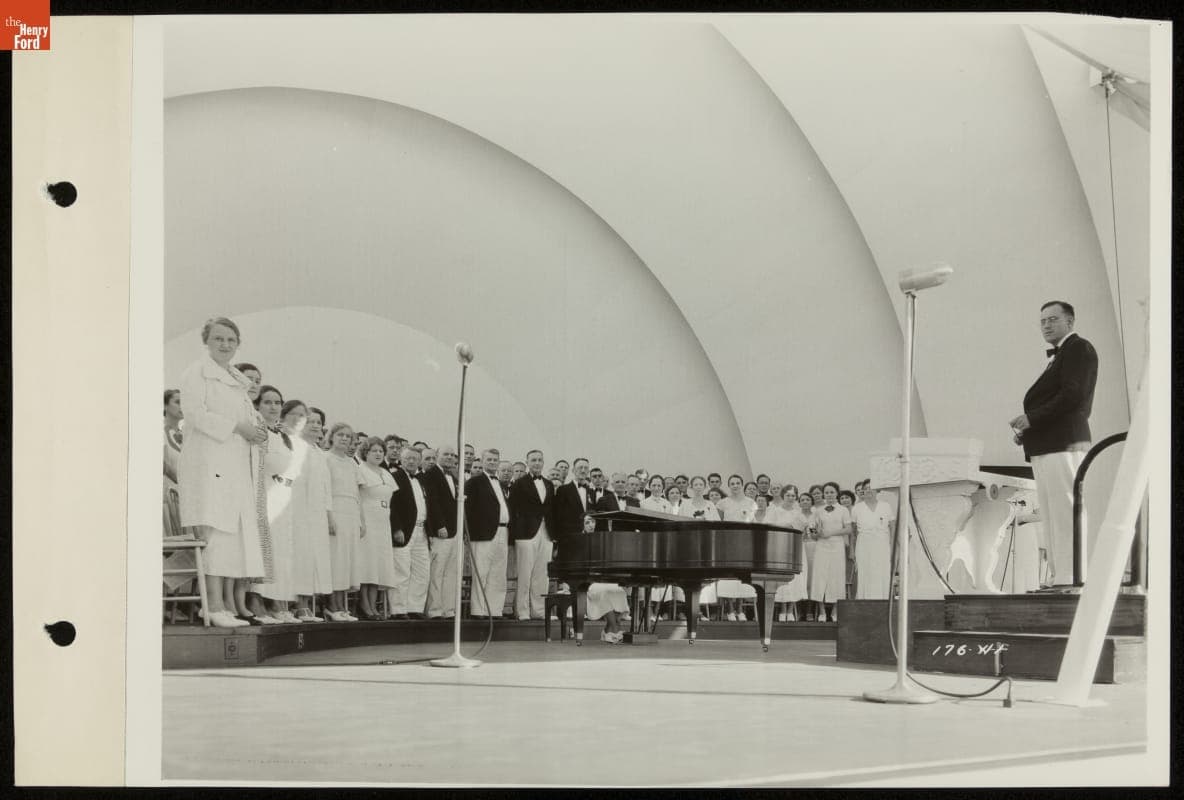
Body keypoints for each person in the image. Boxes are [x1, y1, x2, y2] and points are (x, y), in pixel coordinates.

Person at [177, 318, 268, 628]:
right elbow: (195, 414)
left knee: (231, 534)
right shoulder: (196, 373)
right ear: (207, 340)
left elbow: (246, 419)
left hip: (234, 466)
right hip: (208, 465)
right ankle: (212, 606)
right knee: (214, 532)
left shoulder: (237, 380)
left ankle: (222, 607)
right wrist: (237, 427)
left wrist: (251, 430)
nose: (225, 344)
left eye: (231, 339)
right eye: (218, 338)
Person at [1010, 300, 1099, 587]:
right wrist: (1028, 431)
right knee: (1050, 512)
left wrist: (1032, 418)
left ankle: (1074, 574)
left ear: (1070, 322)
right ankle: (1060, 574)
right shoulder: (1058, 356)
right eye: (1043, 321)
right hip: (1048, 444)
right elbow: (1056, 400)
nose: (1046, 325)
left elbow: (1073, 396)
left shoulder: (1078, 348)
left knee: (1065, 507)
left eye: (1053, 319)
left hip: (1065, 443)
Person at [250, 387, 303, 624]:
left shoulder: (282, 436)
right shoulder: (257, 431)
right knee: (264, 552)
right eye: (267, 402)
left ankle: (278, 604)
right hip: (262, 495)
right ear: (257, 405)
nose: (273, 407)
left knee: (282, 553)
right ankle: (257, 602)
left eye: (277, 402)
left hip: (282, 498)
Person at [291, 405, 333, 621]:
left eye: (319, 422)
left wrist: (328, 514)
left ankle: (306, 605)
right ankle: (299, 606)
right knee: (302, 558)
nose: (316, 426)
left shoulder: (319, 452)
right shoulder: (296, 447)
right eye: (311, 422)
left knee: (315, 559)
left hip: (317, 513)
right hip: (301, 512)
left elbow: (325, 488)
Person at [509, 449, 557, 621]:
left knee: (542, 574)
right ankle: (522, 611)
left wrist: (553, 534)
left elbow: (551, 510)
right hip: (525, 533)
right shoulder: (519, 484)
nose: (537, 463)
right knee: (524, 573)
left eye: (540, 460)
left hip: (546, 533)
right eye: (533, 460)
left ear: (543, 463)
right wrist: (515, 534)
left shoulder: (549, 484)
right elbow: (512, 510)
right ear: (527, 462)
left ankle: (539, 611)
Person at [355, 437, 398, 619]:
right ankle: (364, 605)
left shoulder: (386, 474)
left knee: (379, 566)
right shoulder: (360, 470)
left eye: (381, 451)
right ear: (366, 452)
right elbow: (356, 498)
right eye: (374, 451)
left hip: (383, 523)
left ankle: (373, 606)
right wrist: (360, 521)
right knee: (367, 564)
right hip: (367, 521)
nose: (378, 454)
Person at [325, 423, 364, 621]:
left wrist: (360, 520)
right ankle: (332, 606)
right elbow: (324, 491)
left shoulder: (351, 463)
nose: (344, 439)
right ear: (331, 436)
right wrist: (328, 517)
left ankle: (342, 605)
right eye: (340, 435)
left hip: (351, 513)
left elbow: (356, 493)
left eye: (348, 436)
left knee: (347, 560)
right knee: (336, 559)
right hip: (335, 509)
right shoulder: (326, 458)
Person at [464, 448, 510, 618]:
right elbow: (468, 511)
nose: (492, 463)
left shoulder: (500, 483)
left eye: (495, 460)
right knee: (481, 572)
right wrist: (470, 534)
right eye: (489, 460)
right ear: (482, 461)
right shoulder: (474, 483)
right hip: (483, 534)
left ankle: (495, 610)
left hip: (503, 531)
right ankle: (478, 611)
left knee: (498, 574)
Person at [389, 446, 431, 619]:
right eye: (408, 458)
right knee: (402, 571)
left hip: (422, 530)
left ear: (419, 461)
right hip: (404, 531)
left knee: (422, 572)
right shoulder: (395, 477)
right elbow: (392, 505)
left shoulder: (421, 480)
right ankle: (398, 610)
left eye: (415, 458)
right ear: (401, 459)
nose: (412, 461)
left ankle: (415, 608)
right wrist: (396, 528)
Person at [421, 444, 461, 619]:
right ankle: (434, 610)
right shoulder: (431, 475)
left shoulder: (453, 476)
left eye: (453, 455)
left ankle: (448, 609)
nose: (450, 457)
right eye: (446, 454)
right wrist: (439, 526)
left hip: (455, 530)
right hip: (441, 531)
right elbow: (432, 502)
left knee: (451, 572)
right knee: (437, 571)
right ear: (437, 456)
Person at [578, 515, 628, 643]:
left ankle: (607, 630)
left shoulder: (600, 539)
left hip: (600, 579)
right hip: (585, 581)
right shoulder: (578, 539)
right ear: (582, 524)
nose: (591, 525)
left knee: (619, 590)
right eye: (587, 522)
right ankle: (616, 629)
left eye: (593, 522)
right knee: (603, 592)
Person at [678, 477, 719, 620]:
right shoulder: (685, 504)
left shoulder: (710, 505)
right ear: (691, 487)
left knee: (703, 577)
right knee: (688, 576)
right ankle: (686, 608)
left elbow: (717, 524)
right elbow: (679, 522)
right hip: (689, 544)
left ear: (705, 487)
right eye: (696, 484)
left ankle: (700, 609)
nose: (698, 487)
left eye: (701, 484)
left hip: (705, 544)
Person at [812, 482, 852, 621]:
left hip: (837, 546)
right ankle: (822, 612)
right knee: (820, 576)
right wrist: (815, 534)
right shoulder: (818, 510)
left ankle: (835, 611)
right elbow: (813, 529)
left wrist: (831, 533)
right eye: (827, 492)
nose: (829, 495)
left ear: (837, 493)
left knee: (836, 576)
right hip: (822, 546)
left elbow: (848, 529)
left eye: (832, 492)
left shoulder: (843, 510)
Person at [768, 485, 807, 621]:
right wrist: (787, 526)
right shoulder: (775, 511)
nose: (790, 498)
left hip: (795, 548)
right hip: (780, 548)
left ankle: (790, 610)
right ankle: (783, 609)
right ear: (783, 496)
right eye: (788, 495)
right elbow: (769, 527)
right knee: (783, 578)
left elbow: (802, 530)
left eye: (793, 495)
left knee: (795, 578)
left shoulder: (799, 513)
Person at [852, 480, 893, 599]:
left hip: (882, 543)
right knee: (865, 571)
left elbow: (892, 526)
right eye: (866, 488)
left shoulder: (886, 506)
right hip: (864, 543)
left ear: (877, 490)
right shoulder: (857, 508)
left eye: (872, 487)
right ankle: (865, 600)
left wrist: (893, 545)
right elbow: (853, 532)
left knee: (882, 570)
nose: (869, 490)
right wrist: (853, 550)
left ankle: (883, 599)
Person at [790, 491, 819, 621]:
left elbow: (816, 535)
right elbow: (796, 536)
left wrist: (812, 529)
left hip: (814, 548)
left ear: (811, 502)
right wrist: (802, 529)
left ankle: (810, 610)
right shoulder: (796, 517)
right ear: (799, 503)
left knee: (812, 579)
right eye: (802, 500)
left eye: (808, 499)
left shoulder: (816, 516)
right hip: (801, 548)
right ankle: (799, 609)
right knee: (801, 578)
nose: (805, 502)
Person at [555, 457, 594, 545]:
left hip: (588, 538)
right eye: (580, 467)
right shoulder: (563, 490)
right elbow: (558, 516)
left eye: (586, 468)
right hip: (569, 537)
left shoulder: (591, 492)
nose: (583, 471)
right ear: (573, 470)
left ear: (588, 471)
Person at [162, 389, 184, 538]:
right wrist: (183, 481)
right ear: (164, 406)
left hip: (187, 497)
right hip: (170, 496)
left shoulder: (187, 434)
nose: (183, 406)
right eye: (178, 402)